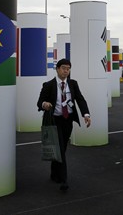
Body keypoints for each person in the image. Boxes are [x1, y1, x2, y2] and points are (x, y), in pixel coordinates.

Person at [37, 58, 91, 191]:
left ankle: (54, 173)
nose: (66, 71)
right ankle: (64, 180)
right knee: (60, 149)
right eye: (64, 68)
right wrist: (45, 104)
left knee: (62, 148)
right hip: (55, 121)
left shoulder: (73, 84)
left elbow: (80, 99)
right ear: (57, 69)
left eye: (68, 68)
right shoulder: (48, 85)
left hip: (68, 120)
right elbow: (40, 102)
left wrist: (86, 115)